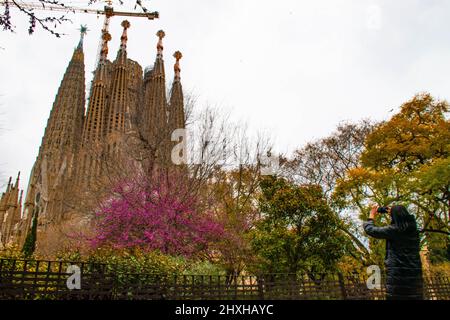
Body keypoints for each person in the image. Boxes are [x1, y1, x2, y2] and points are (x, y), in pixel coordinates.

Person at [363, 205, 424, 300]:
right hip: (414, 275)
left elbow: (371, 230)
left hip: (398, 276)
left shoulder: (395, 230)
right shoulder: (413, 230)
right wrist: (393, 211)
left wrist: (371, 216)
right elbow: (401, 217)